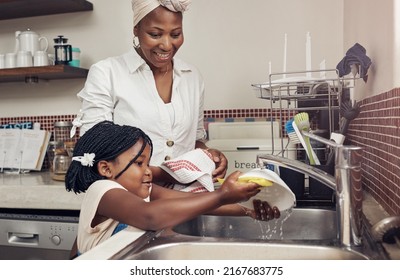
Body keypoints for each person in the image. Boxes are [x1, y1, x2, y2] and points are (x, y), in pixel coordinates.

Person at [71, 0, 227, 190]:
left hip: (187, 204)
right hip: (131, 205)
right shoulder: (107, 73)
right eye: (155, 34)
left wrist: (209, 155)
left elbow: (194, 141)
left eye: (176, 34)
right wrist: (177, 173)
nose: (167, 45)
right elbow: (94, 153)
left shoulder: (192, 77)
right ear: (136, 29)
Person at [65, 121, 280, 256]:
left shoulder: (141, 191)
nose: (149, 171)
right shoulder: (102, 191)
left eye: (148, 163)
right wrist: (222, 195)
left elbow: (192, 203)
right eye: (139, 164)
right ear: (105, 168)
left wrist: (248, 211)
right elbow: (149, 217)